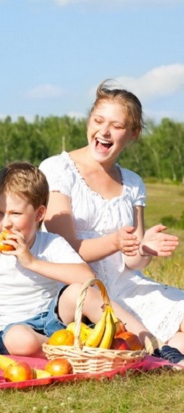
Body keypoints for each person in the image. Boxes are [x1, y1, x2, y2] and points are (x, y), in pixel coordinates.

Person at [39, 80, 184, 362]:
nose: (104, 131)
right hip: (83, 291)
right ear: (89, 120)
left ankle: (166, 351)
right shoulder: (58, 170)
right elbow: (67, 250)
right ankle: (162, 350)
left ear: (133, 134)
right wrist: (116, 241)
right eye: (98, 120)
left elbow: (132, 262)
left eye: (116, 126)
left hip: (128, 285)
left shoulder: (132, 183)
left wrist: (143, 250)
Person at [0, 162, 159, 357]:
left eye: (15, 213)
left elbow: (86, 276)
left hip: (56, 323)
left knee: (80, 291)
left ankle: (143, 341)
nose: (5, 223)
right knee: (19, 338)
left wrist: (31, 262)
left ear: (39, 214)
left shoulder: (51, 243)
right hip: (11, 334)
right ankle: (76, 351)